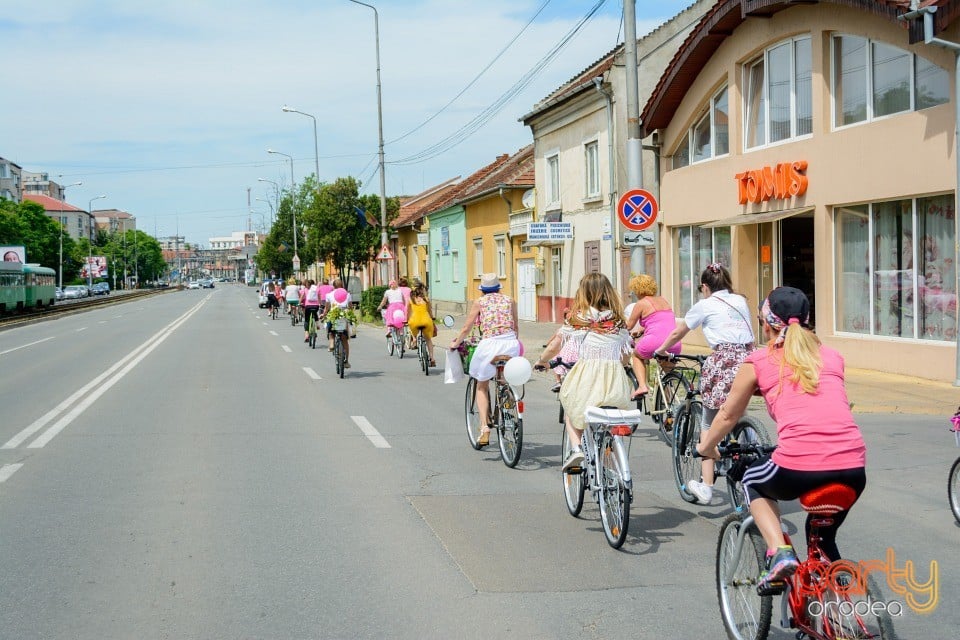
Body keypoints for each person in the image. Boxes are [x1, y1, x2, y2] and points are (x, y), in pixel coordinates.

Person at [697, 286, 866, 592]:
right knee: (824, 539)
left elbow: (727, 417)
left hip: (798, 464)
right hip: (854, 467)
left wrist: (706, 448)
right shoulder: (833, 357)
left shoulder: (758, 361)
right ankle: (840, 610)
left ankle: (780, 554)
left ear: (766, 323)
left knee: (752, 479)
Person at [655, 262, 755, 504]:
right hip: (748, 360)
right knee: (736, 410)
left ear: (704, 286)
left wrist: (661, 350)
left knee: (708, 422)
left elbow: (679, 332)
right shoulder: (740, 301)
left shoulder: (705, 305)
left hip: (722, 360)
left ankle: (707, 486)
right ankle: (750, 448)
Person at [535, 273, 633, 471]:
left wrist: (542, 361)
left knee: (571, 409)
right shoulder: (618, 320)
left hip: (586, 375)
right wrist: (620, 366)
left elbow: (555, 345)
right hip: (614, 379)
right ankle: (612, 468)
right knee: (608, 419)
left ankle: (577, 448)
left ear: (583, 292)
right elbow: (625, 354)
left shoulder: (577, 317)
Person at [450, 273, 521, 447]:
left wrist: (456, 342)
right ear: (498, 288)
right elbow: (516, 326)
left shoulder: (479, 302)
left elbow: (467, 327)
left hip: (490, 345)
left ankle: (484, 428)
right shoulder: (510, 300)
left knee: (481, 385)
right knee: (504, 377)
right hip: (511, 343)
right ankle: (507, 397)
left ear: (482, 289)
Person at [625, 274, 681, 398]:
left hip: (654, 343)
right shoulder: (663, 300)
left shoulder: (641, 303)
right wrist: (640, 330)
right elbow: (658, 321)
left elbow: (628, 326)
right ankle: (670, 407)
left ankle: (642, 386)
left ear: (637, 289)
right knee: (667, 377)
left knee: (636, 355)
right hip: (674, 343)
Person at [406, 282, 436, 367]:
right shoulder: (426, 299)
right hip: (426, 321)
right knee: (428, 340)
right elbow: (429, 311)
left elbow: (407, 312)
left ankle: (414, 339)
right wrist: (432, 317)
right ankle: (432, 358)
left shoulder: (410, 299)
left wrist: (406, 320)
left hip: (415, 321)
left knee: (410, 325)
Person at [325, 278, 352, 366]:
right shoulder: (347, 294)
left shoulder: (329, 295)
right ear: (342, 285)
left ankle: (332, 343)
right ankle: (346, 361)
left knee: (331, 332)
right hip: (344, 315)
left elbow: (327, 308)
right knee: (345, 339)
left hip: (333, 314)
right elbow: (350, 307)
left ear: (333, 286)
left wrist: (323, 314)